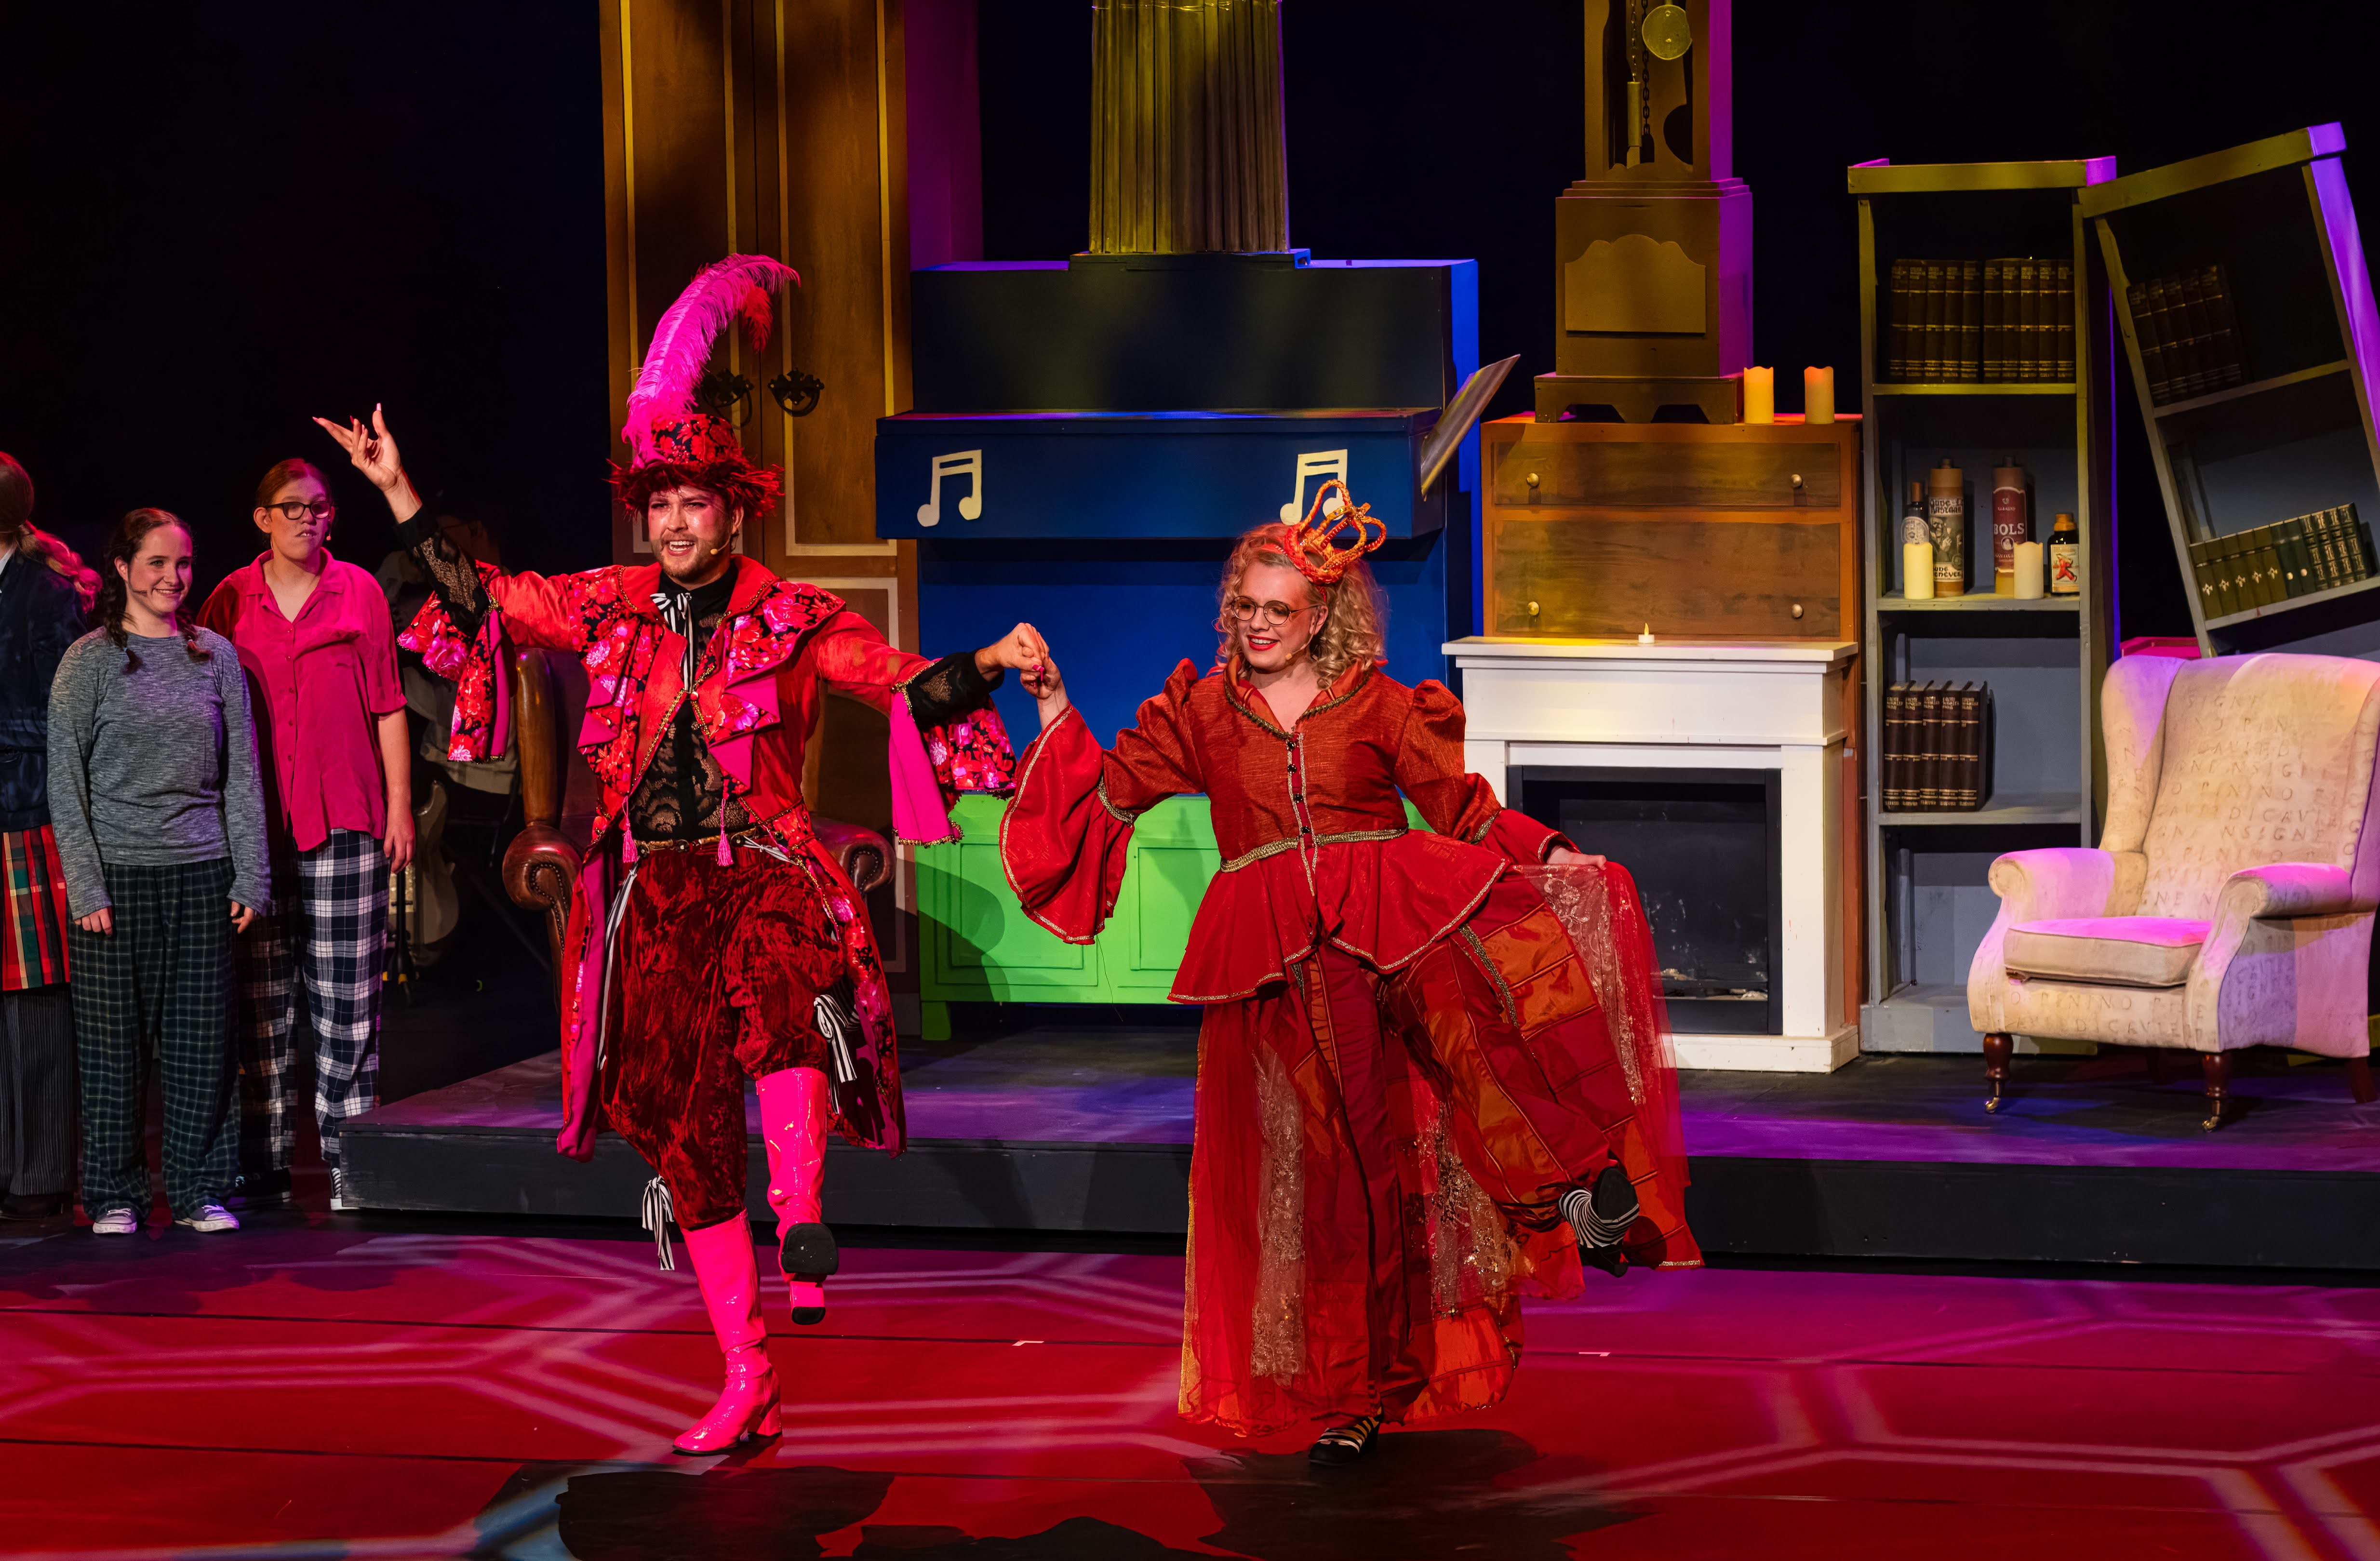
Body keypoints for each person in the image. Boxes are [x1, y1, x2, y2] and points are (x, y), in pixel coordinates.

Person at [319, 254, 1038, 1455]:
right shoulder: (606, 602)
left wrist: (989, 663)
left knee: (785, 989)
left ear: (734, 513)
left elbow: (898, 682)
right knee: (679, 1125)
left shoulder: (796, 616)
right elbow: (491, 603)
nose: (674, 524)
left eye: (694, 505)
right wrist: (398, 493)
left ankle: (800, 1210)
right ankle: (747, 1371)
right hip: (648, 893)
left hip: (762, 865)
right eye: (658, 506)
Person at [1001, 481, 1700, 1464]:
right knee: (1352, 1176)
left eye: (1278, 610)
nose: (1257, 625)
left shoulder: (1378, 704)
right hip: (1289, 966)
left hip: (1398, 922)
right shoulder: (1200, 712)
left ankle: (1577, 1195)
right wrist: (1052, 705)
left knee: (1483, 1041)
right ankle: (1366, 1389)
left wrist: (1544, 849)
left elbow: (1458, 808)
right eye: (1244, 607)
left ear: (1321, 615)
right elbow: (1107, 795)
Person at [48, 509, 270, 1236]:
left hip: (203, 873)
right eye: (157, 562)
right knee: (113, 1052)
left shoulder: (216, 657)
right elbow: (65, 783)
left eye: (183, 563)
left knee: (202, 1046)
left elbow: (242, 775)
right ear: (122, 567)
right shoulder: (88, 661)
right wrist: (86, 885)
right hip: (117, 880)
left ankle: (200, 1188)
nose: (174, 577)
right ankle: (115, 1194)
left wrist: (251, 875)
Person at [198, 459, 413, 1211]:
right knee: (260, 1003)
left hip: (344, 815)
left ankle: (351, 1161)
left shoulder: (358, 591)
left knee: (346, 1001)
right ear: (262, 518)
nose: (306, 519)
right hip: (254, 825)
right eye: (291, 508)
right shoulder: (229, 597)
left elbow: (388, 703)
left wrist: (400, 806)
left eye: (318, 508)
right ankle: (263, 1161)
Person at [0, 453, 95, 1222]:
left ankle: (39, 1173)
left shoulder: (46, 593)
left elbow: (64, 720)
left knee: (33, 1000)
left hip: (24, 814)